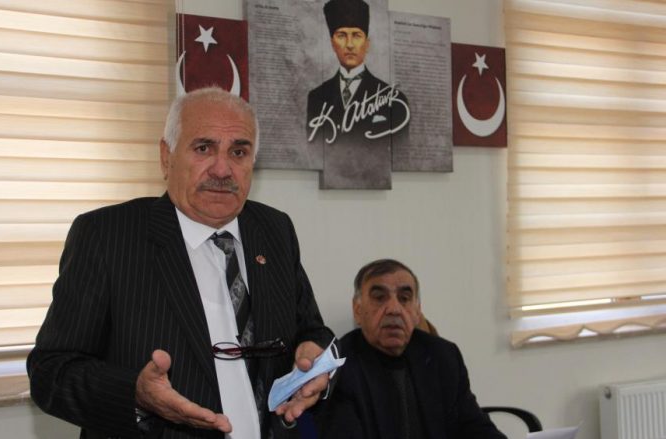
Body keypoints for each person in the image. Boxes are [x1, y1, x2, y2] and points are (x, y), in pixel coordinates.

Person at [28, 87, 335, 439]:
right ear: (166, 157)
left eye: (238, 152)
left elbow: (312, 330)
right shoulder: (107, 236)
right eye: (203, 148)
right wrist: (136, 395)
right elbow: (50, 372)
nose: (222, 169)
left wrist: (314, 359)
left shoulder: (274, 229)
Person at [316, 259, 506, 439]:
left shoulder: (443, 356)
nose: (394, 308)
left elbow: (475, 427)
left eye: (404, 298)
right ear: (357, 310)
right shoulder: (338, 367)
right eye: (380, 298)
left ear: (417, 312)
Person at [306, 0, 410, 189]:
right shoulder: (317, 98)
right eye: (341, 35)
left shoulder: (394, 100)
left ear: (367, 43)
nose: (349, 44)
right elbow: (313, 151)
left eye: (356, 35)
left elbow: (399, 153)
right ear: (332, 43)